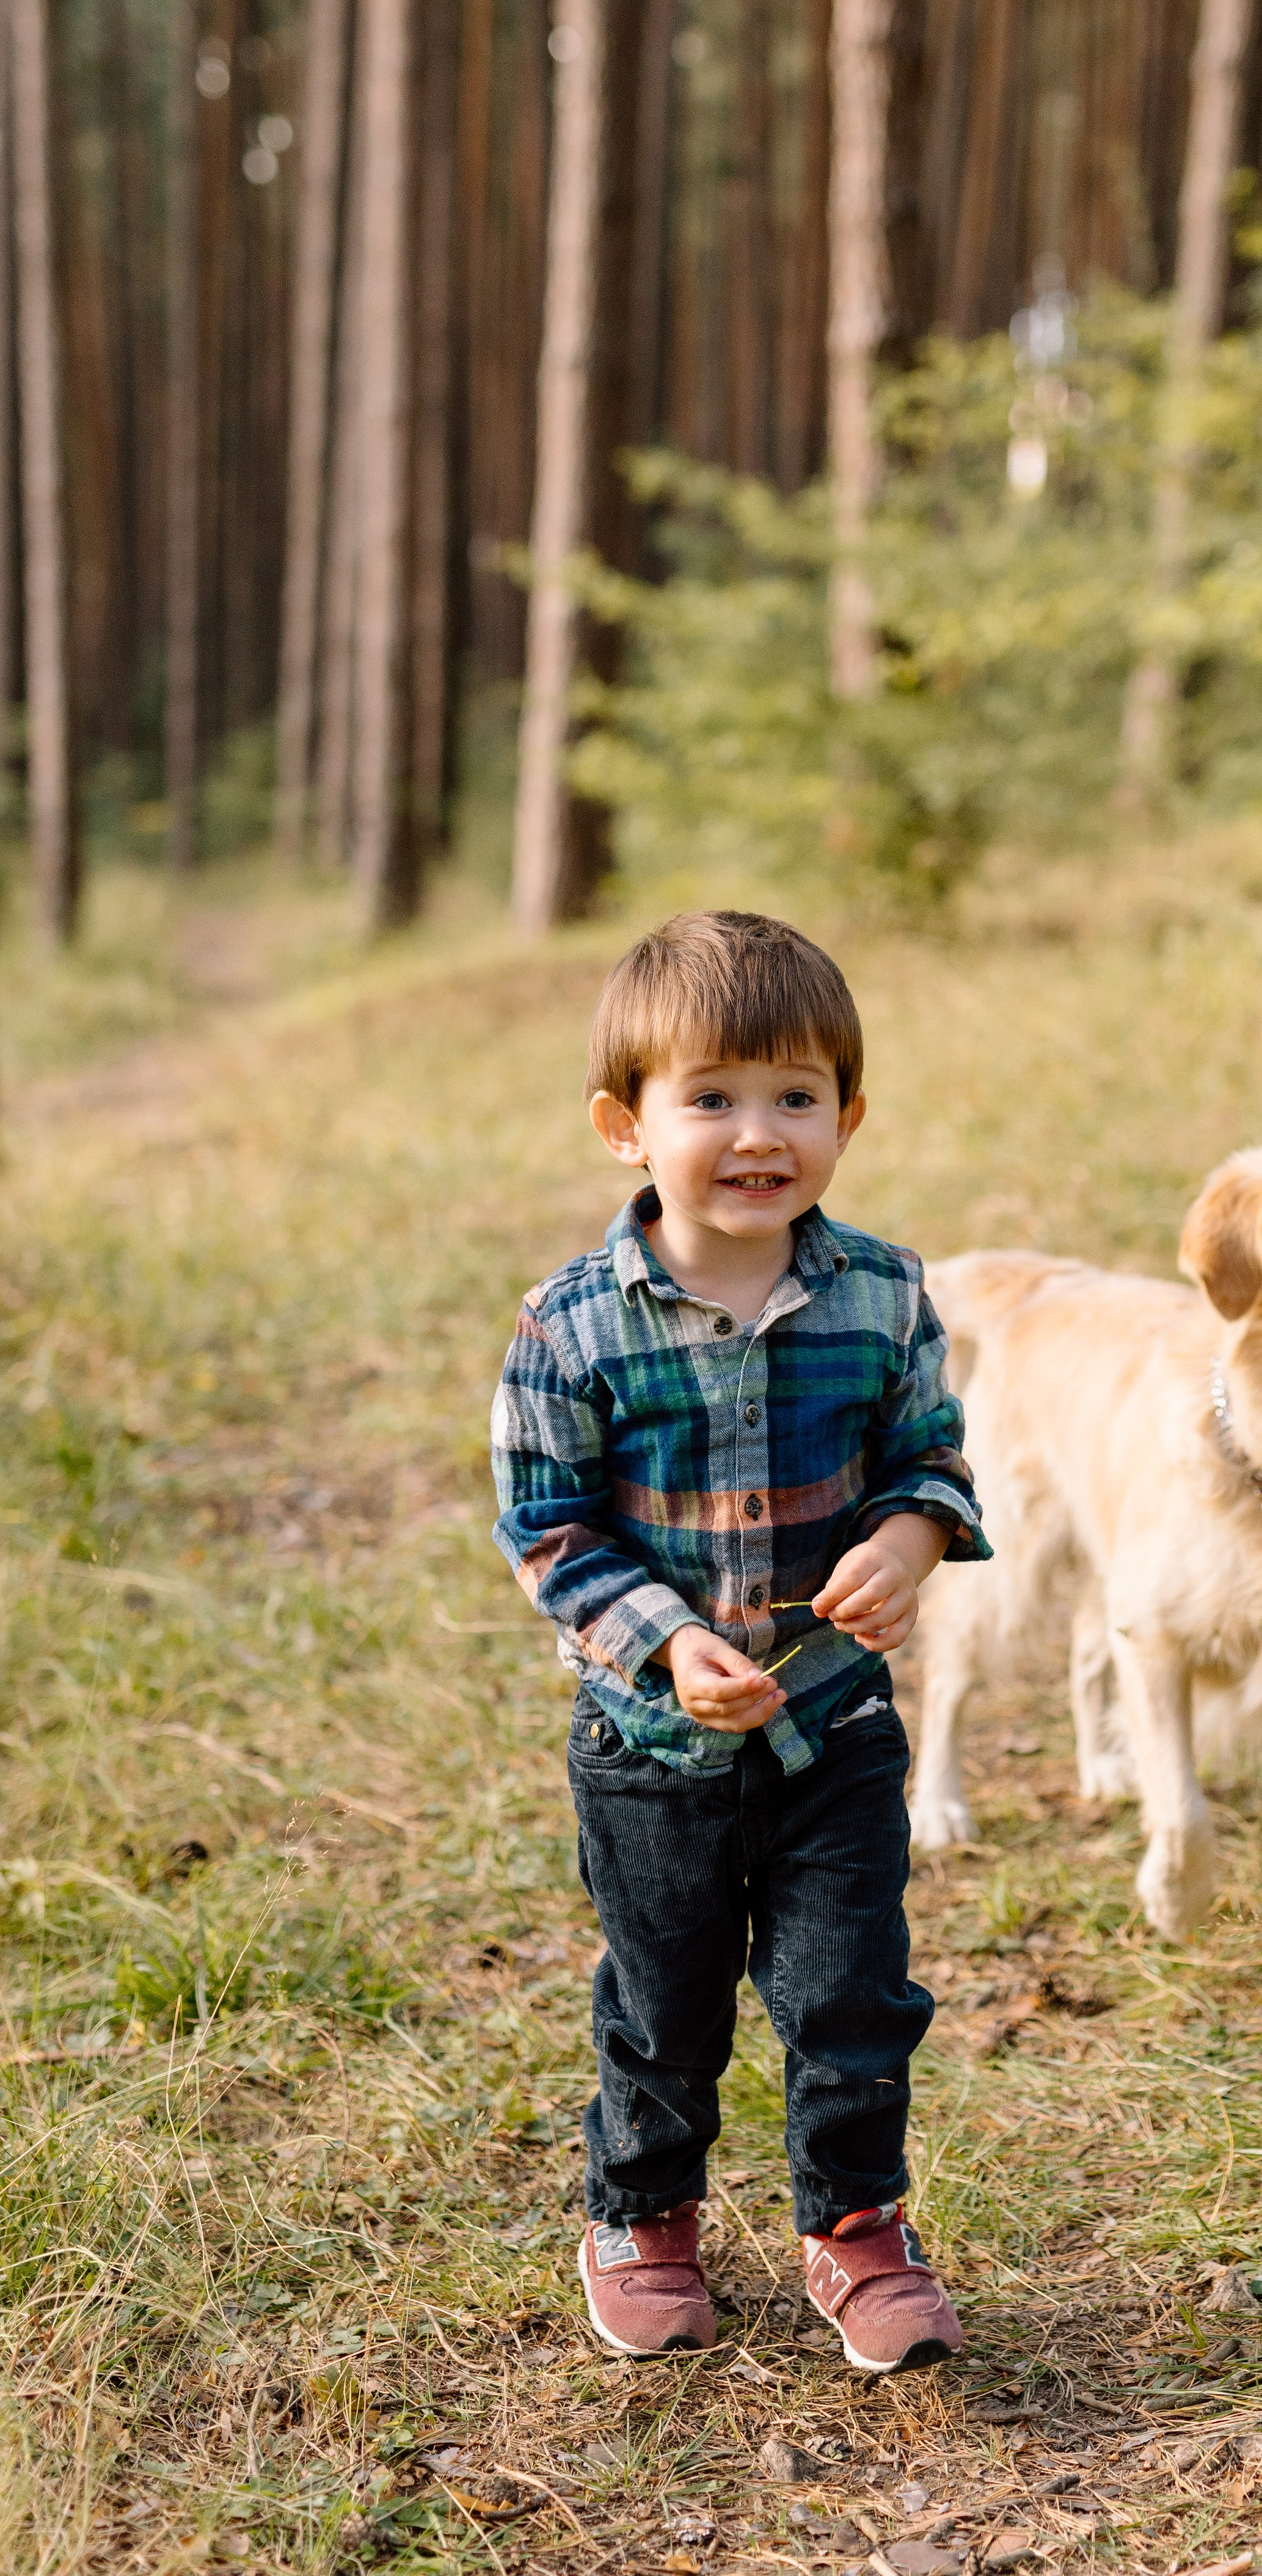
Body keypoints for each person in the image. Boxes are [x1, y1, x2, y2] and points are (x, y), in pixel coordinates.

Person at [490, 910, 989, 2374]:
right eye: (707, 1096)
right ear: (623, 1124)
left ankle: (854, 2224)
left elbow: (932, 1460)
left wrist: (903, 1545)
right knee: (666, 1995)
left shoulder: (884, 1291)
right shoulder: (571, 1327)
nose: (754, 1131)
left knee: (849, 1987)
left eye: (793, 1095)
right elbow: (547, 1524)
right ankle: (642, 2214)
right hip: (648, 1747)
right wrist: (662, 1643)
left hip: (834, 1726)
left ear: (845, 1114)